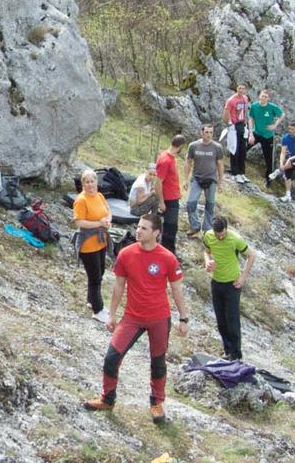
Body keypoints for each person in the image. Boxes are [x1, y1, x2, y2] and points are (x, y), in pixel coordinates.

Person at [83, 213, 190, 424]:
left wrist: (184, 318)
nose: (138, 231)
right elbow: (118, 286)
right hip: (132, 317)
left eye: (144, 228)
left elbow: (177, 290)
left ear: (156, 233)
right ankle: (107, 399)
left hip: (159, 318)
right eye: (138, 227)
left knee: (158, 362)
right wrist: (112, 315)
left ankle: (157, 403)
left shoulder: (167, 257)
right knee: (111, 358)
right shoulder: (126, 254)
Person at [202, 216, 255, 361]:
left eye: (222, 233)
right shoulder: (208, 235)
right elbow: (206, 251)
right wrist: (207, 262)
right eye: (217, 233)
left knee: (232, 319)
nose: (220, 236)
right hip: (216, 281)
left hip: (232, 284)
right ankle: (228, 351)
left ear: (226, 228)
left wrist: (243, 277)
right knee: (220, 319)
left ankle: (236, 355)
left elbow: (251, 255)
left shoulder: (235, 239)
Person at [73, 169, 112, 323]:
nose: (90, 185)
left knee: (100, 271)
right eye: (86, 182)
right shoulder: (81, 200)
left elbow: (108, 211)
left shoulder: (100, 196)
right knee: (94, 277)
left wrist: (108, 220)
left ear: (97, 182)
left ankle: (91, 299)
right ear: (83, 184)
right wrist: (98, 223)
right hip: (88, 244)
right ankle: (98, 309)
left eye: (92, 181)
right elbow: (79, 222)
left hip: (100, 241)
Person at [183, 124, 224, 238]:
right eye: (207, 132)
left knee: (210, 204)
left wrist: (220, 181)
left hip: (211, 179)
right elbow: (188, 162)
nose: (209, 135)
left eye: (211, 132)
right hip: (197, 178)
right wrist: (185, 179)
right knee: (190, 203)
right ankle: (195, 226)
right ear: (202, 132)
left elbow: (220, 164)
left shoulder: (217, 147)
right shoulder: (193, 146)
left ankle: (207, 228)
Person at [155, 134, 186, 255]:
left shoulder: (171, 157)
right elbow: (158, 182)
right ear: (181, 146)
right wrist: (161, 202)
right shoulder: (165, 159)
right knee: (170, 228)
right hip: (168, 199)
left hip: (173, 196)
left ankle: (168, 252)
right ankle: (168, 253)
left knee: (172, 227)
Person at [247, 90, 284, 186]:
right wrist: (250, 133)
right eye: (262, 96)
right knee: (243, 149)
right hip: (256, 133)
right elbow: (251, 118)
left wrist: (275, 125)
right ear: (259, 96)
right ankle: (238, 170)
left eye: (265, 97)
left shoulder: (272, 107)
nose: (263, 98)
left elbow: (282, 114)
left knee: (269, 160)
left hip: (268, 136)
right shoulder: (254, 106)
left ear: (268, 98)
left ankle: (268, 180)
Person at [269, 120, 295, 203]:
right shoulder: (286, 138)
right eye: (289, 129)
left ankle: (278, 171)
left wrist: (290, 159)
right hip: (292, 158)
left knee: (290, 163)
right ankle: (288, 195)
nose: (290, 131)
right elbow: (283, 152)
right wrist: (281, 163)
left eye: (292, 129)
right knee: (287, 173)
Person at [224, 83, 251, 184]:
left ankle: (242, 172)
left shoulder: (245, 98)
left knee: (243, 150)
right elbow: (226, 113)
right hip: (234, 126)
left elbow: (245, 112)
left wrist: (246, 124)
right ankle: (235, 173)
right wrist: (230, 124)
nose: (241, 90)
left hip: (242, 125)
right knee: (235, 149)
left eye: (243, 88)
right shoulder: (231, 100)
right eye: (240, 88)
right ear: (237, 89)